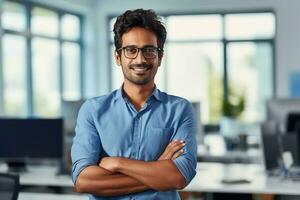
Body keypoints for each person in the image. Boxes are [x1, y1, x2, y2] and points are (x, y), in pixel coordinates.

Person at [71, 8, 197, 200]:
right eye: (131, 50)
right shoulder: (93, 110)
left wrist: (117, 163)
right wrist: (158, 166)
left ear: (159, 57)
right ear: (117, 57)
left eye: (149, 50)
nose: (140, 59)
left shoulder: (180, 110)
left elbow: (179, 177)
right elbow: (84, 181)